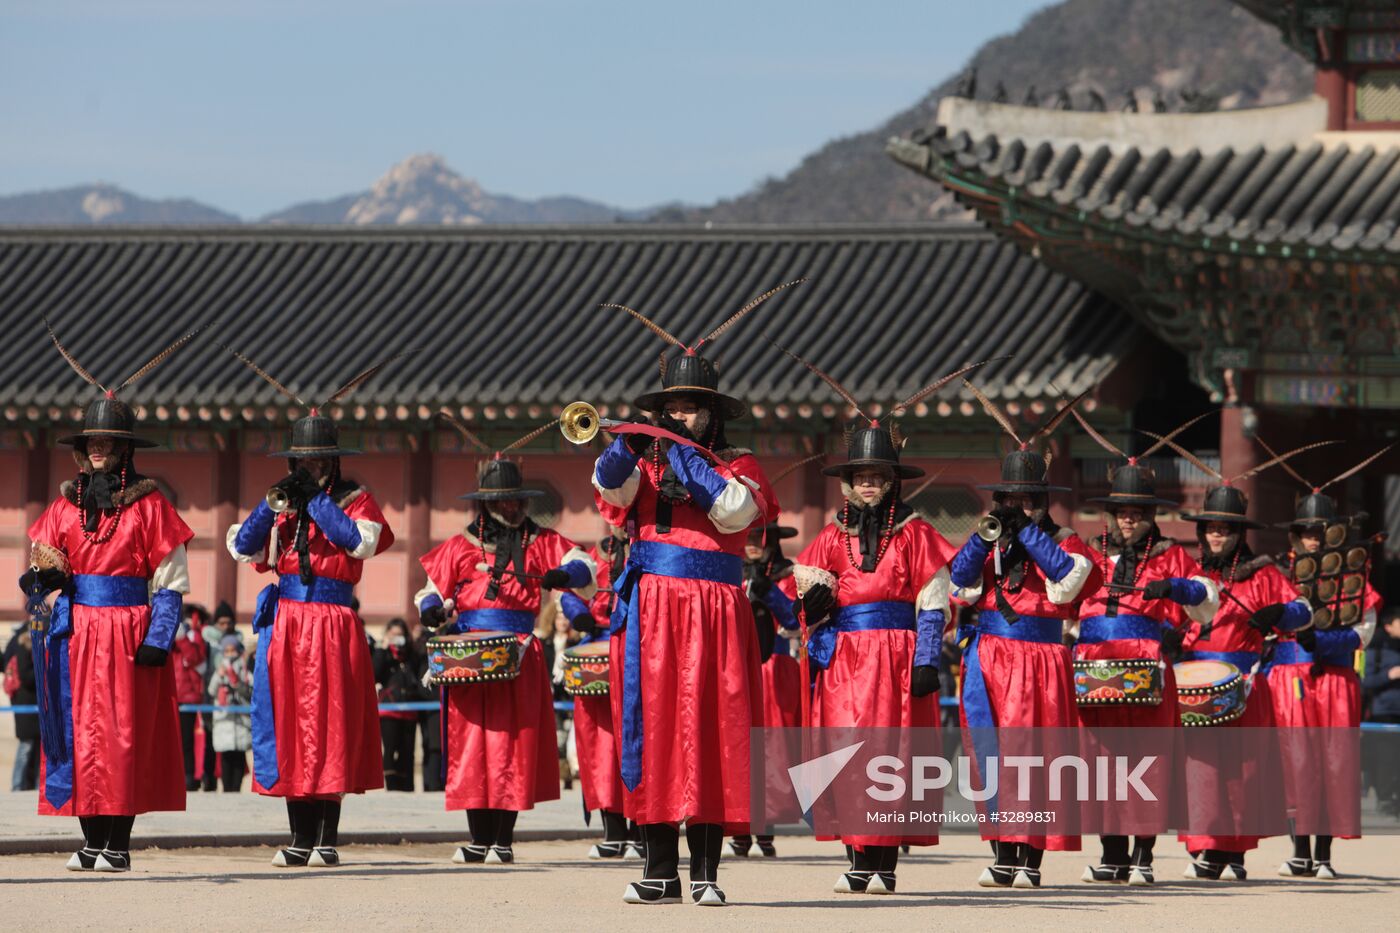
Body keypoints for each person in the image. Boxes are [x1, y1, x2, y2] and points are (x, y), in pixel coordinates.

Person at [593, 283, 795, 906]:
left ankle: (706, 871)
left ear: (712, 413)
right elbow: (609, 492)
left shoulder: (740, 465)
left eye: (691, 409)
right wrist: (627, 444)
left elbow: (735, 514)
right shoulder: (643, 461)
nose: (681, 417)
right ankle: (659, 871)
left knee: (713, 728)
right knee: (652, 729)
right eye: (672, 409)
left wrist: (686, 457)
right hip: (652, 605)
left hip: (714, 608)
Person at [21, 322, 202, 872]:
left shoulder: (150, 507)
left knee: (121, 738)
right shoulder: (64, 507)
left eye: (107, 444)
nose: (97, 451)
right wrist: (40, 586)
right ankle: (90, 840)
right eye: (91, 443)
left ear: (122, 449)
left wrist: (158, 638)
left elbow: (171, 581)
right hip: (75, 631)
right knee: (80, 736)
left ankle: (117, 844)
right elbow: (38, 566)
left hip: (128, 630)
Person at [225, 350, 401, 868]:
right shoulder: (282, 504)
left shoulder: (354, 500)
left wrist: (318, 499)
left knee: (330, 724)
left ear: (335, 463)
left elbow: (356, 542)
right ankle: (298, 839)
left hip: (332, 622)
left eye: (319, 462)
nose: (312, 469)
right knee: (288, 726)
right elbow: (242, 548)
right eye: (303, 463)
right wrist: (273, 501)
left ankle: (327, 838)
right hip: (287, 622)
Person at [790, 405, 956, 894]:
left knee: (889, 756)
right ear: (849, 481)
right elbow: (804, 601)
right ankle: (857, 859)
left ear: (891, 480)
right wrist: (812, 609)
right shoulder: (829, 533)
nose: (867, 483)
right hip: (845, 657)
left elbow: (933, 604)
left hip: (897, 657)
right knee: (845, 750)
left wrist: (927, 660)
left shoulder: (916, 532)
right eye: (860, 475)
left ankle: (882, 863)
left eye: (876, 475)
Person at [417, 418, 596, 866]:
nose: (510, 506)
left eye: (515, 499)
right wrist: (432, 611)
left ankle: (503, 840)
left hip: (519, 647)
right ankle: (478, 839)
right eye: (501, 500)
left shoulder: (541, 541)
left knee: (512, 743)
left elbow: (585, 566)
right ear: (485, 503)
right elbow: (430, 592)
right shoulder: (459, 546)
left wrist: (564, 575)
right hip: (470, 653)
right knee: (472, 744)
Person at [948, 385, 1100, 889]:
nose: (1017, 506)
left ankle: (1028, 856)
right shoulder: (995, 541)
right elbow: (959, 585)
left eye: (1026, 500)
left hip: (1039, 658)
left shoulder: (1066, 543)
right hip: (989, 656)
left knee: (1033, 755)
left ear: (1041, 501)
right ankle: (1000, 849)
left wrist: (1029, 532)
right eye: (1009, 498)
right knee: (988, 750)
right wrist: (984, 535)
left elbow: (1067, 585)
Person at [1148, 434, 1316, 880]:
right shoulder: (1191, 572)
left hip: (1243, 684)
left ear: (1238, 533)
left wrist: (1281, 611)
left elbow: (1304, 612)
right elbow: (1171, 616)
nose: (1217, 534)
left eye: (1225, 528)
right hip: (1196, 682)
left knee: (1240, 772)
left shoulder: (1262, 573)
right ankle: (1207, 847)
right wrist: (1170, 637)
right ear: (1202, 531)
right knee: (1198, 769)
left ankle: (1232, 854)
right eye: (1211, 528)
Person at [1070, 414, 1219, 885]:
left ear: (1149, 515)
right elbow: (1062, 601)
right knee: (1101, 760)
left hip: (1145, 666)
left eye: (1137, 512)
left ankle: (1143, 856)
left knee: (1146, 759)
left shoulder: (1170, 554)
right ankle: (1111, 853)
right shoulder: (1089, 553)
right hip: (1093, 665)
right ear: (1110, 515)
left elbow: (1205, 601)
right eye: (1122, 512)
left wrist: (1173, 587)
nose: (1129, 519)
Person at [1263, 445, 1387, 879]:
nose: (1314, 539)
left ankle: (1324, 855)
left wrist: (1323, 638)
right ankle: (1299, 850)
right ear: (1296, 536)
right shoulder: (1278, 575)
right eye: (1306, 532)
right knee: (1295, 762)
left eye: (1321, 531)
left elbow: (1363, 633)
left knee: (1333, 763)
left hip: (1334, 678)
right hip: (1290, 679)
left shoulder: (1352, 581)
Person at [558, 527, 636, 859]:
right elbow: (571, 593)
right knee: (600, 745)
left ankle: (645, 833)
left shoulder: (655, 544)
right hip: (598, 647)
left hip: (639, 645)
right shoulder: (595, 555)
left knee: (640, 740)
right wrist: (580, 616)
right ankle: (614, 831)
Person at [730, 520, 802, 859]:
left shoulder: (789, 576)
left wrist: (768, 592)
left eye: (759, 537)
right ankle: (740, 827)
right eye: (748, 537)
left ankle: (767, 827)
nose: (753, 544)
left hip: (773, 668)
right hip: (736, 668)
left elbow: (794, 620)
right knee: (738, 747)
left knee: (772, 749)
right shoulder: (731, 569)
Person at [373, 617, 425, 792]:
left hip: (409, 708)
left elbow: (416, 673)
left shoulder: (410, 654)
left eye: (400, 635)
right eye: (393, 635)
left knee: (407, 750)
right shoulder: (384, 653)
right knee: (390, 748)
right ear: (388, 634)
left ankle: (407, 785)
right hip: (389, 708)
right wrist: (383, 648)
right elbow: (375, 674)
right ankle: (392, 786)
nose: (397, 639)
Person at [1362, 609, 1400, 817]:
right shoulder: (1375, 650)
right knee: (1386, 758)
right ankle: (1385, 798)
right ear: (1388, 625)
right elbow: (1365, 682)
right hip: (1383, 714)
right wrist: (1390, 674)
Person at [200, 601, 237, 790]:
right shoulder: (207, 642)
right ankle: (209, 780)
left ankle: (230, 783)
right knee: (210, 743)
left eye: (228, 622)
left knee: (230, 743)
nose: (225, 627)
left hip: (233, 701)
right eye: (221, 623)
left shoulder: (237, 643)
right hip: (211, 697)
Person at [209, 634, 253, 791]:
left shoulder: (244, 668)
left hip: (241, 721)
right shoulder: (219, 667)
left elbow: (250, 691)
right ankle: (227, 788)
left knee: (239, 757)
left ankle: (236, 787)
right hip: (224, 721)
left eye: (232, 650)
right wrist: (220, 676)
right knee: (226, 758)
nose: (229, 653)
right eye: (226, 650)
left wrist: (237, 683)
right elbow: (211, 690)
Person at [172, 614, 209, 791]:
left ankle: (189, 776)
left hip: (187, 698)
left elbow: (196, 658)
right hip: (169, 696)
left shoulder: (192, 640)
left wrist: (181, 637)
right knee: (169, 740)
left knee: (186, 741)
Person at [4, 626, 39, 791]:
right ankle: (17, 785)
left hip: (31, 703)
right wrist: (42, 673)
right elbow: (26, 677)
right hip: (26, 702)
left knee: (34, 747)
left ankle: (32, 785)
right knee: (26, 745)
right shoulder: (24, 644)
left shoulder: (20, 639)